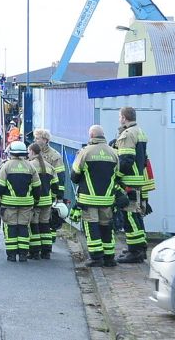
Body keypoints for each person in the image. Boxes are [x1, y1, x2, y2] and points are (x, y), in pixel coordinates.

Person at [71, 125, 122, 268]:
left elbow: (74, 175)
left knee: (92, 226)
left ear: (91, 136)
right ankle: (109, 257)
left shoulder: (85, 152)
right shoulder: (114, 153)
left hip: (88, 199)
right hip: (107, 199)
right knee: (106, 226)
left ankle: (96, 257)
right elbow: (118, 175)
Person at [0, 140, 40, 262]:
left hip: (9, 204)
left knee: (11, 227)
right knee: (23, 227)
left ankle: (11, 255)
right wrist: (36, 200)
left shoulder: (6, 166)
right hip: (26, 204)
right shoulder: (30, 166)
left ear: (11, 152)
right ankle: (23, 254)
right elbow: (37, 186)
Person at [114, 107, 151, 263]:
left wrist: (116, 177)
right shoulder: (140, 131)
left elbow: (126, 160)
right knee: (136, 215)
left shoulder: (128, 134)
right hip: (138, 180)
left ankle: (135, 252)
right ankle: (138, 248)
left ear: (123, 118)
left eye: (119, 117)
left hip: (129, 181)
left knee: (130, 216)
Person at [28, 142, 62, 260]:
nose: (28, 154)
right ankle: (46, 251)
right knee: (45, 225)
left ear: (32, 152)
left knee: (34, 225)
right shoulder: (49, 167)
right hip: (47, 202)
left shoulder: (30, 165)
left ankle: (35, 252)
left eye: (28, 152)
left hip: (35, 202)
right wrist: (52, 198)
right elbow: (55, 186)